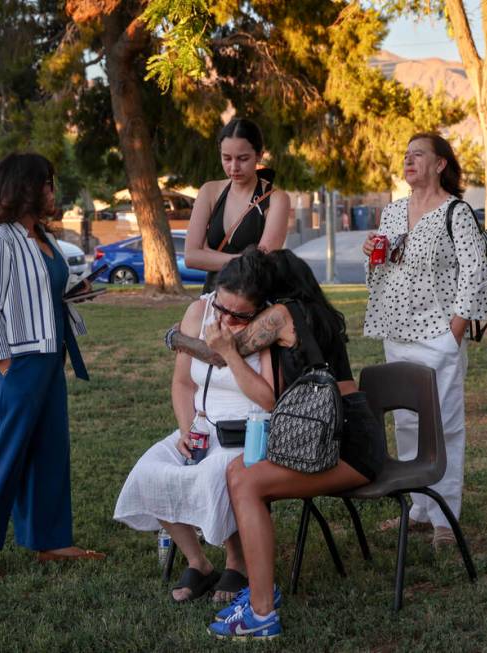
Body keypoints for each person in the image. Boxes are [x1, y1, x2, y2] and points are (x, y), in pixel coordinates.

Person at [170, 250, 386, 640]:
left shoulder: (280, 315)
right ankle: (258, 591)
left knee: (247, 481)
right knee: (240, 472)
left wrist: (176, 338)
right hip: (344, 431)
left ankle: (262, 612)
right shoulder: (313, 311)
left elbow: (220, 356)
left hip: (344, 443)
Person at [0, 153, 102, 583]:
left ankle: (51, 541)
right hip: (13, 361)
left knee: (49, 450)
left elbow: (39, 293)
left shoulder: (42, 236)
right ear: (24, 186)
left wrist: (78, 290)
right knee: (4, 455)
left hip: (48, 354)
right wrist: (6, 367)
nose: (52, 192)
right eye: (47, 183)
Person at [115, 248, 277, 603]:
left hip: (245, 433)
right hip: (201, 426)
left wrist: (232, 353)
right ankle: (198, 561)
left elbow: (268, 399)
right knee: (149, 470)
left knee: (211, 476)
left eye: (240, 315)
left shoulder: (268, 325)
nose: (227, 320)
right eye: (222, 308)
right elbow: (183, 383)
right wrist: (187, 429)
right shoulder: (196, 312)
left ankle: (237, 562)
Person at [360, 132, 487, 548]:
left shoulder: (456, 212)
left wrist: (455, 329)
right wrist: (372, 251)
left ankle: (445, 517)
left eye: (418, 154)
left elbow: (474, 271)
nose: (408, 160)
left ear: (439, 164)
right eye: (405, 154)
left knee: (444, 424)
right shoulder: (394, 212)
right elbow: (387, 265)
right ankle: (418, 508)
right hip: (397, 331)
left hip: (438, 334)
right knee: (406, 421)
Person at [184, 117, 290, 292]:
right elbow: (191, 257)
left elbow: (261, 264)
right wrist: (243, 260)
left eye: (243, 158)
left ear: (259, 155)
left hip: (254, 299)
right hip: (213, 297)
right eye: (227, 158)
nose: (234, 167)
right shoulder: (209, 191)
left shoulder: (277, 199)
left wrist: (209, 254)